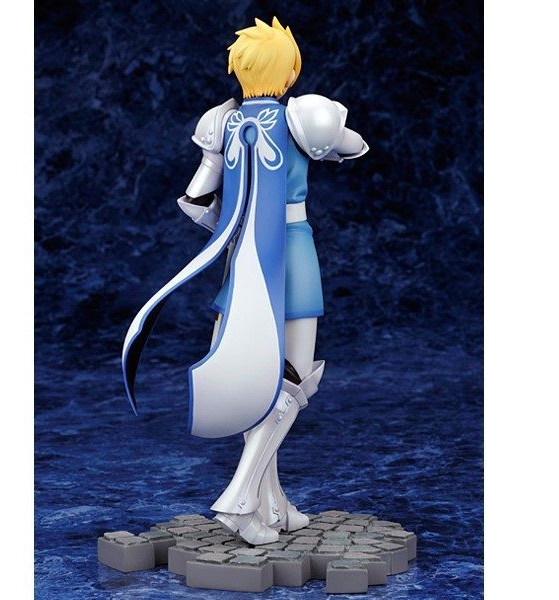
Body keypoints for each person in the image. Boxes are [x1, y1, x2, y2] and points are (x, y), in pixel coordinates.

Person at [122, 16, 368, 545]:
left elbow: (194, 201)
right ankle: (238, 500)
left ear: (239, 70)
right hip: (292, 252)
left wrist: (235, 225)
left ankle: (272, 505)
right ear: (291, 70)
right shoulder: (304, 116)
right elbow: (353, 146)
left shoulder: (222, 122)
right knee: (293, 381)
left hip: (240, 257)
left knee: (265, 381)